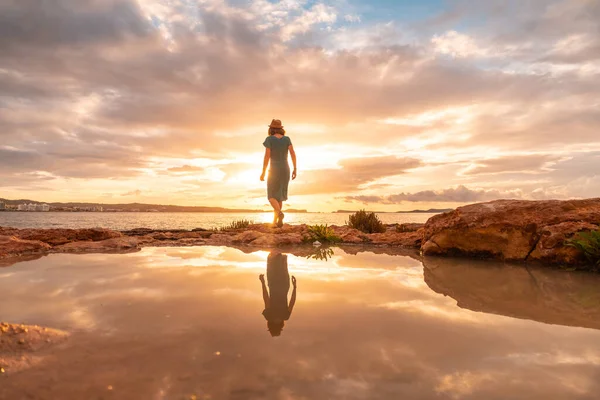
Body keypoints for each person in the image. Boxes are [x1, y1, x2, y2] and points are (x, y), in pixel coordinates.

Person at [260, 119, 297, 228]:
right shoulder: (287, 139)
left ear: (271, 129)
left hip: (274, 168)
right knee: (279, 196)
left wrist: (263, 172)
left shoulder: (269, 139)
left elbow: (267, 156)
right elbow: (292, 153)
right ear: (281, 129)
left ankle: (279, 214)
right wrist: (295, 168)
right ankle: (275, 221)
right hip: (285, 168)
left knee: (271, 196)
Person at [259, 252, 297, 337]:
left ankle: (281, 248)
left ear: (280, 327)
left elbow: (292, 301)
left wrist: (294, 287)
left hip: (284, 285)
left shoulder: (285, 316)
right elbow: (266, 298)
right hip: (273, 284)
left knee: (282, 263)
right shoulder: (269, 316)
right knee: (272, 260)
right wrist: (263, 283)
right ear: (270, 327)